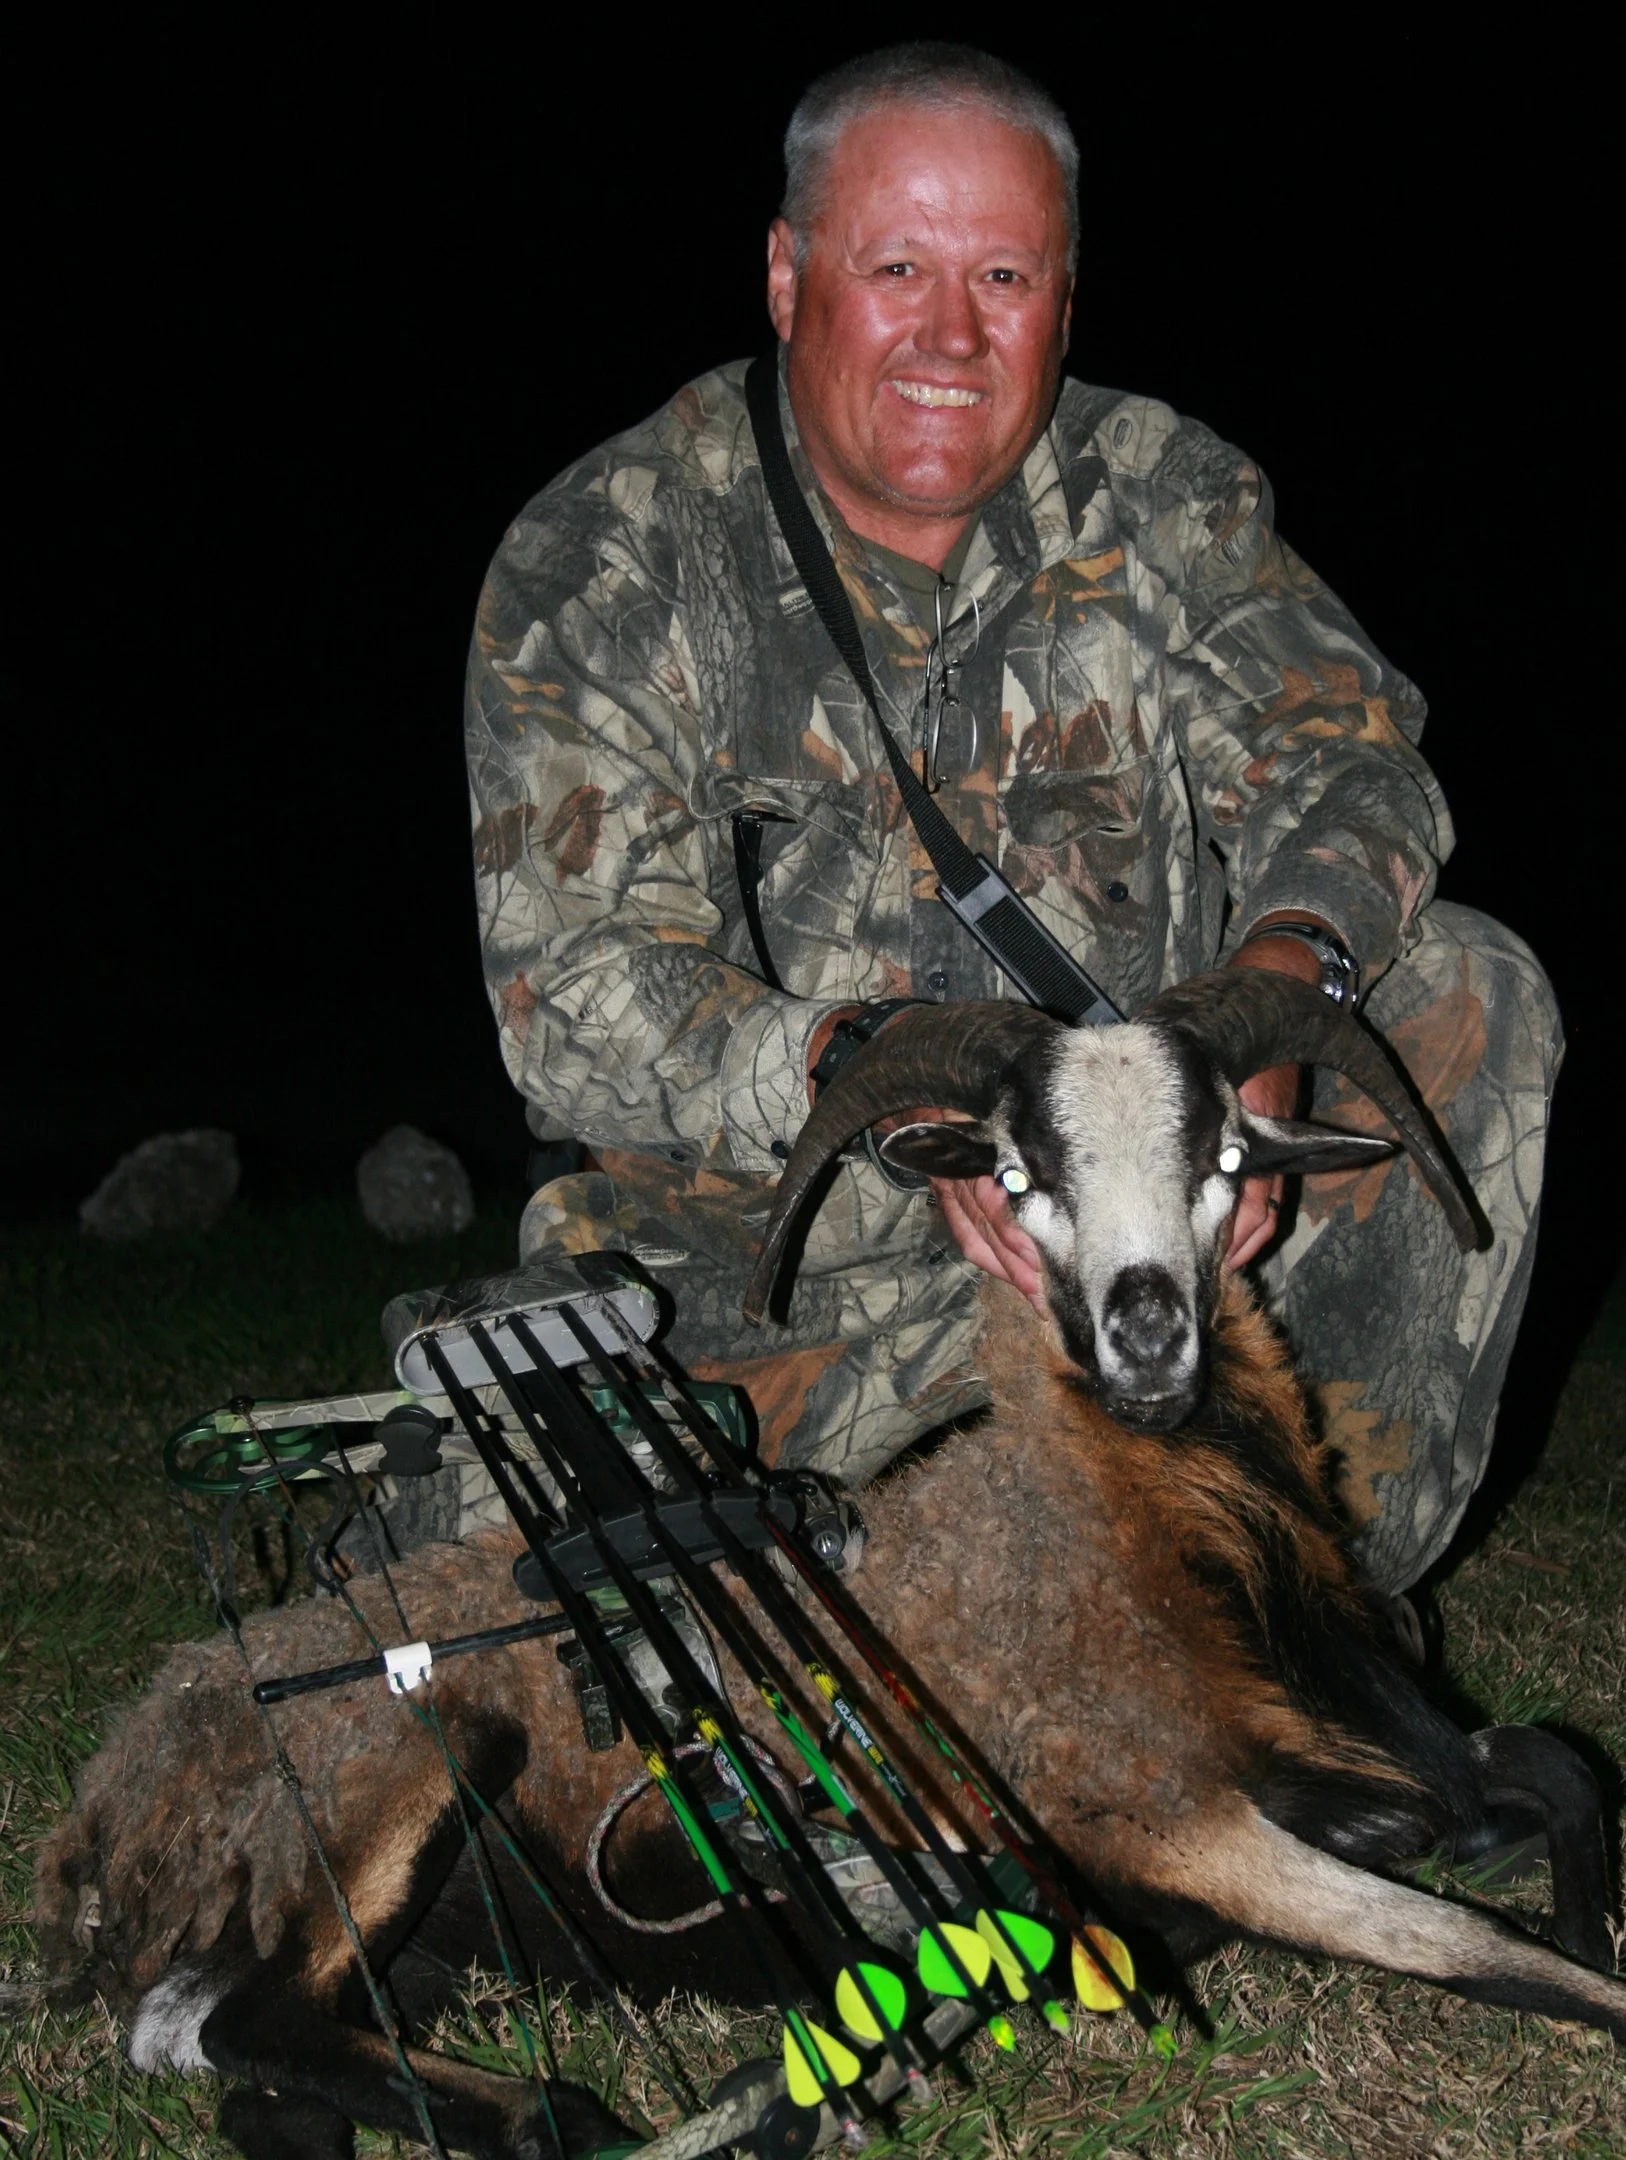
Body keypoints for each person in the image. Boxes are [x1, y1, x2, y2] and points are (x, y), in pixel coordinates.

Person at [464, 43, 1559, 1599]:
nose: (950, 336)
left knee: (1470, 988)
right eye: (894, 267)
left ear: (1062, 295)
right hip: (780, 1287)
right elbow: (568, 1004)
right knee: (569, 1627)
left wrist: (1281, 995)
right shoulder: (610, 558)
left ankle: (1314, 1619)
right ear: (786, 277)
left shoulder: (1159, 494)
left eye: (1003, 275)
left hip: (1161, 1220)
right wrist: (893, 1088)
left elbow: (1358, 759)